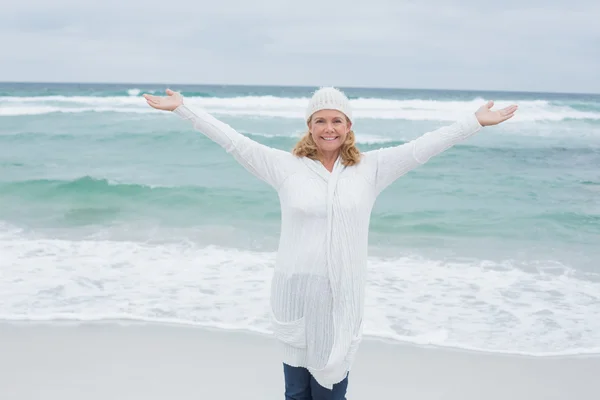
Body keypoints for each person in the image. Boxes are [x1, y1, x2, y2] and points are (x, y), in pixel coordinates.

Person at [143, 87, 517, 400]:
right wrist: (184, 109)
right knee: (295, 393)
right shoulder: (284, 166)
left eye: (336, 119)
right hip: (295, 296)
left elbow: (423, 147)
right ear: (309, 126)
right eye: (320, 120)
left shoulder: (370, 168)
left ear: (349, 126)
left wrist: (474, 123)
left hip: (341, 302)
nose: (328, 127)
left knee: (331, 391)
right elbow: (233, 141)